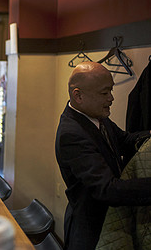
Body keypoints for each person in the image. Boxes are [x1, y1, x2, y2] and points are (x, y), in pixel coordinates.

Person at [55, 61, 151, 250]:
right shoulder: (72, 133)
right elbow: (107, 190)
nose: (111, 98)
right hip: (91, 231)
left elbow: (125, 141)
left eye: (111, 91)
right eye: (104, 93)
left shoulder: (96, 117)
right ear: (78, 95)